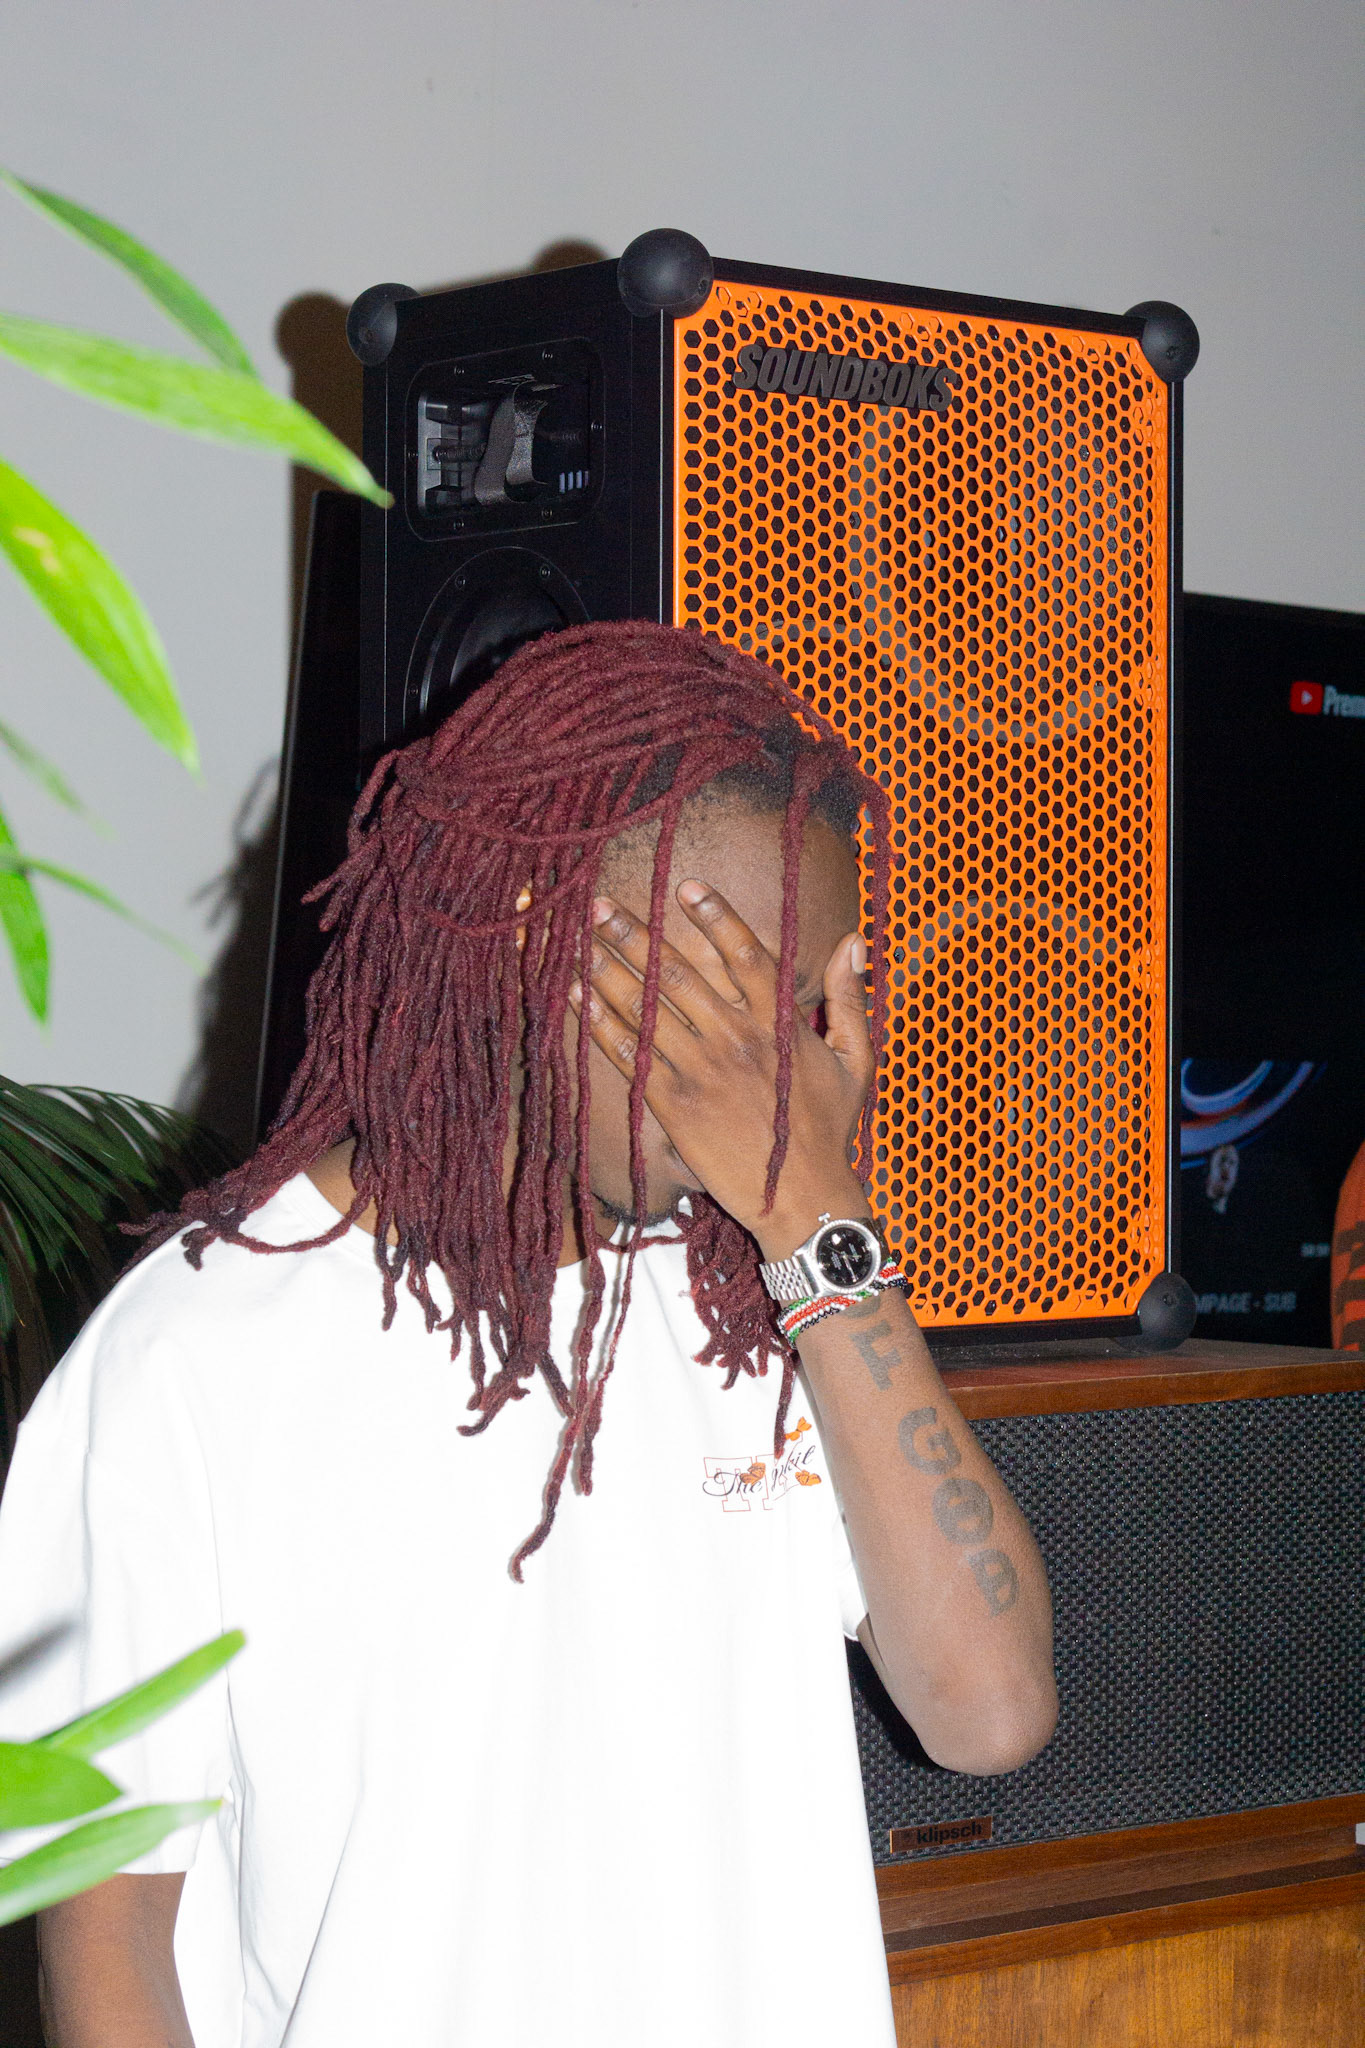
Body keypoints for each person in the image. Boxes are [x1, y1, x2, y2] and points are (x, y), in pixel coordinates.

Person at [0, 622, 1057, 2048]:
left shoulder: (761, 1304)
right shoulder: (194, 1357)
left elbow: (988, 1712)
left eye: (805, 1018)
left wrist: (823, 1234)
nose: (778, 1083)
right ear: (529, 931)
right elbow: (107, 1941)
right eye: (721, 1000)